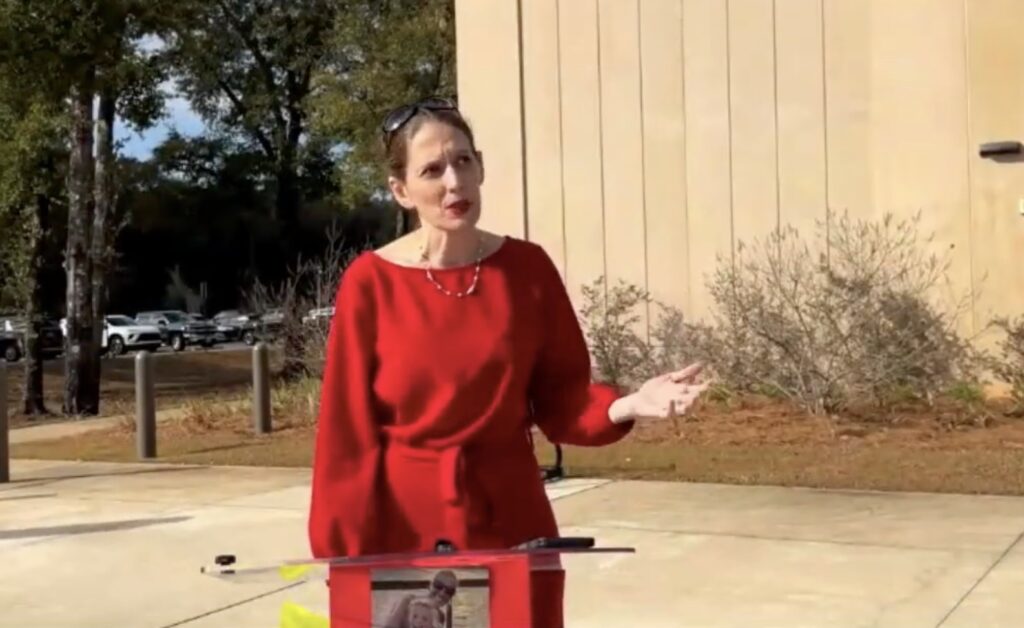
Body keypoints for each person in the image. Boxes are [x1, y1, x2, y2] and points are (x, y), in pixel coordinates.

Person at [307, 97, 710, 627]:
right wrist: (345, 555)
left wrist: (630, 402)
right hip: (404, 533)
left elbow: (563, 398)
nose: (454, 183)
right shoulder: (371, 282)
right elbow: (347, 435)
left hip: (512, 518)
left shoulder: (526, 268)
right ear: (401, 190)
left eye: (464, 162)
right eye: (432, 170)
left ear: (480, 166)